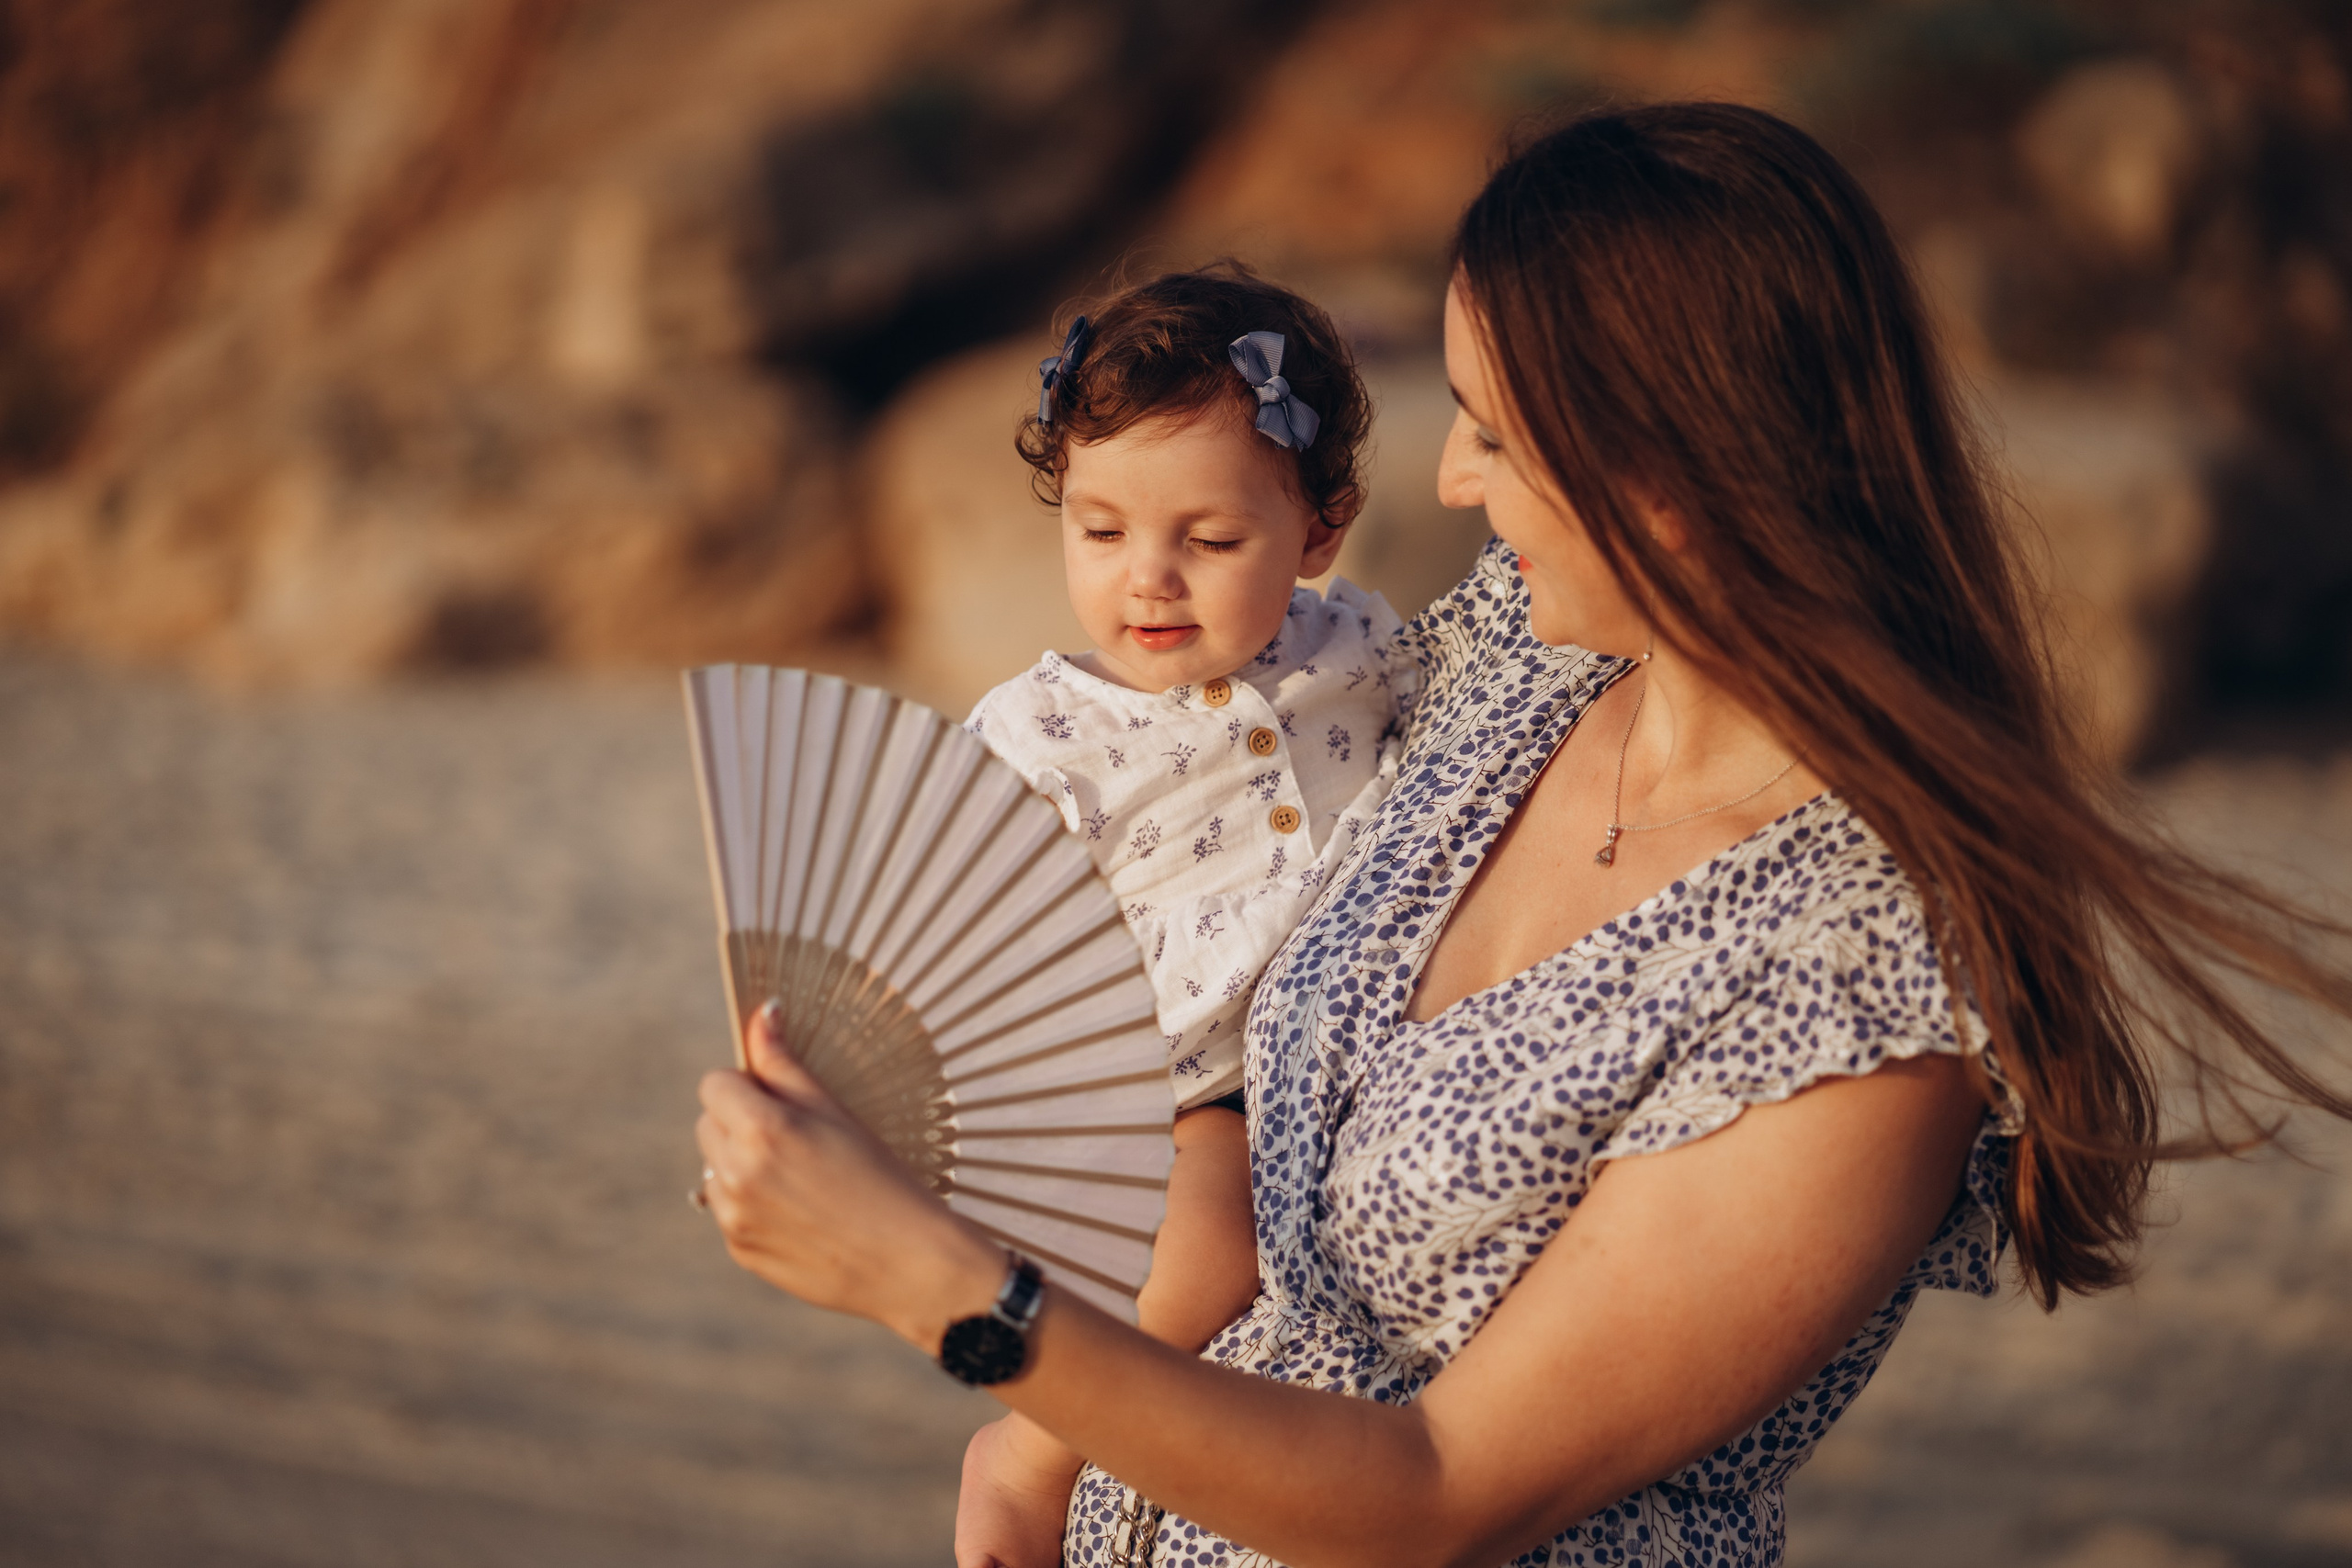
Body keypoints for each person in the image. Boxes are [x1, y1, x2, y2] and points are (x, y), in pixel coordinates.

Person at [692, 104, 2352, 1567]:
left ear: (1675, 469)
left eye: (1495, 427)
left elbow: (1436, 1499)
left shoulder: (1856, 984)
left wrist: (953, 1302)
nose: (1458, 482)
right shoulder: (1519, 666)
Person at [959, 266, 1417, 1560]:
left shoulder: (1361, 648)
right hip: (1169, 1083)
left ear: (1320, 533)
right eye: (1100, 533)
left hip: (1333, 1048)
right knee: (1209, 1254)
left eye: (1209, 543)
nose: (1149, 580)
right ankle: (1032, 1452)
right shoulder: (1048, 733)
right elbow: (963, 919)